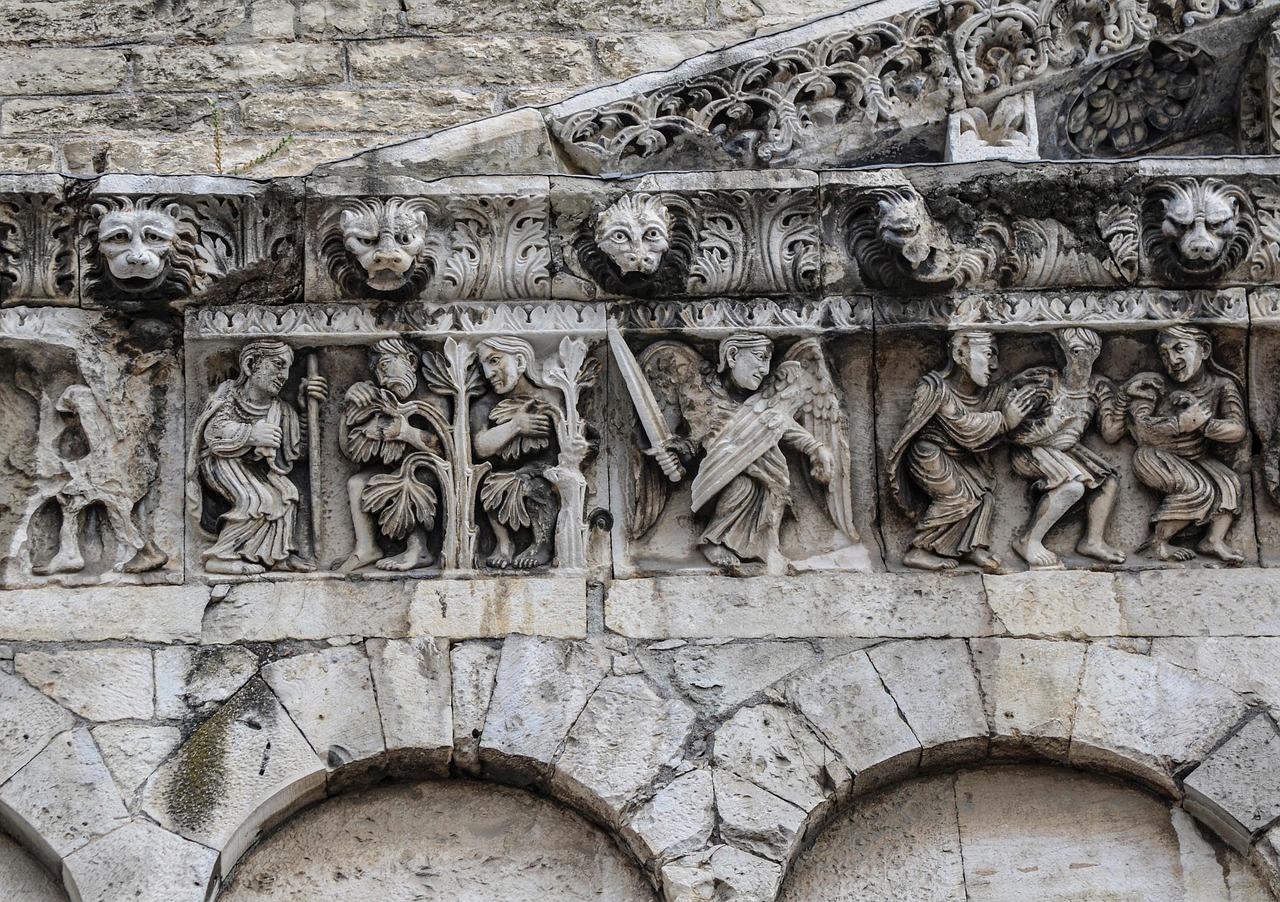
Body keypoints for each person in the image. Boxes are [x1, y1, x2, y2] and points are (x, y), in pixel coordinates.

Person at [889, 330, 1037, 572]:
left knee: (984, 498)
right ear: (960, 354)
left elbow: (986, 402)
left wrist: (1015, 383)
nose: (995, 365)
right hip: (928, 454)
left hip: (958, 457)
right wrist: (1005, 421)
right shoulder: (934, 388)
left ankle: (970, 547)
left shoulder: (975, 394)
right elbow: (965, 427)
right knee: (958, 497)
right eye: (988, 354)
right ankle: (919, 551)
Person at [190, 340, 327, 575]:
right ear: (251, 364)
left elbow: (297, 451)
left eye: (287, 369)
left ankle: (275, 555)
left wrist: (306, 411)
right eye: (277, 364)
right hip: (221, 462)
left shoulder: (281, 409)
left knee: (286, 494)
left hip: (258, 468)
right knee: (256, 499)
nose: (283, 375)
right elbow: (213, 432)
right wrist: (251, 434)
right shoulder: (229, 394)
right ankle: (220, 556)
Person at [1124, 325, 1246, 563]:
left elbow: (1238, 429)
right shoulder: (1156, 384)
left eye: (1180, 348)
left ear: (1205, 349)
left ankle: (1213, 540)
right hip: (1153, 456)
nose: (1172, 359)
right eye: (1164, 353)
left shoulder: (1223, 386)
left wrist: (1205, 425)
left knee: (1231, 483)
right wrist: (1178, 424)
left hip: (1197, 457)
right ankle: (1158, 543)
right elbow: (1139, 428)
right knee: (1197, 488)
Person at [1008, 328, 1127, 568]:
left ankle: (1092, 541)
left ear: (1094, 353)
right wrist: (1053, 424)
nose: (1073, 357)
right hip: (1033, 450)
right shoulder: (1047, 382)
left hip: (1067, 451)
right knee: (1072, 487)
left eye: (1079, 351)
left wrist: (1124, 401)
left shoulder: (1098, 387)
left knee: (1109, 481)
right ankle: (1028, 540)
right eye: (1068, 350)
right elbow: (1015, 433)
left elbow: (1111, 435)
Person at [335, 338, 443, 573]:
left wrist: (405, 432)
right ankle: (366, 547)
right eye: (376, 373)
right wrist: (349, 408)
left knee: (404, 482)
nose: (381, 379)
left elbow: (448, 448)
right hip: (398, 469)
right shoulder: (382, 402)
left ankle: (419, 549)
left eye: (385, 366)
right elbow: (350, 453)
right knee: (356, 483)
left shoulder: (433, 398)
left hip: (431, 471)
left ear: (411, 361)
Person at [471, 336, 561, 570]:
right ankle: (504, 544)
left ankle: (541, 543)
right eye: (484, 365)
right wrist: (516, 425)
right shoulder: (483, 406)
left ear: (520, 361)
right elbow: (480, 446)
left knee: (538, 489)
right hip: (504, 475)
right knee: (490, 486)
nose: (489, 372)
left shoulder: (551, 398)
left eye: (495, 360)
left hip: (543, 473)